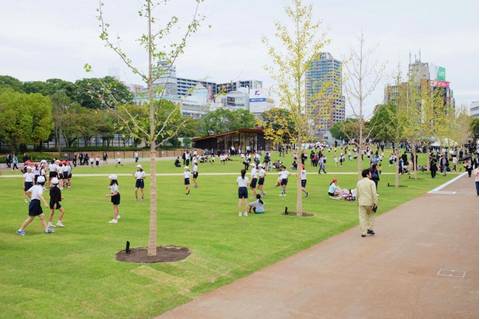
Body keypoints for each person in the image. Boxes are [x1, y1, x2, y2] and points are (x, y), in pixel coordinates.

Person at [356, 169, 378, 238]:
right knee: (371, 216)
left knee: (362, 217)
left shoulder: (359, 182)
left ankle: (363, 232)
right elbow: (374, 193)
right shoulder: (371, 182)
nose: (371, 174)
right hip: (369, 202)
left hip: (361, 202)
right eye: (370, 173)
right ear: (367, 175)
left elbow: (357, 193)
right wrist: (375, 202)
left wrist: (357, 201)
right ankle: (369, 228)